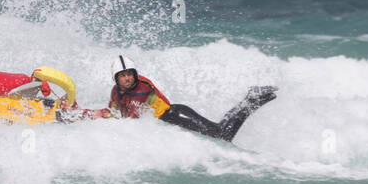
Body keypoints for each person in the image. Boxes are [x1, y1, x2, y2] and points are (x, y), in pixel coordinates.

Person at [69, 54, 276, 142]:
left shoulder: (143, 86)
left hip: (176, 114)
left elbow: (134, 116)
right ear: (116, 78)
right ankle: (250, 97)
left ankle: (252, 101)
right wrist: (84, 114)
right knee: (220, 130)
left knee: (222, 134)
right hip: (170, 118)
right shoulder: (116, 92)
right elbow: (115, 113)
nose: (128, 78)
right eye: (123, 76)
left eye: (130, 73)